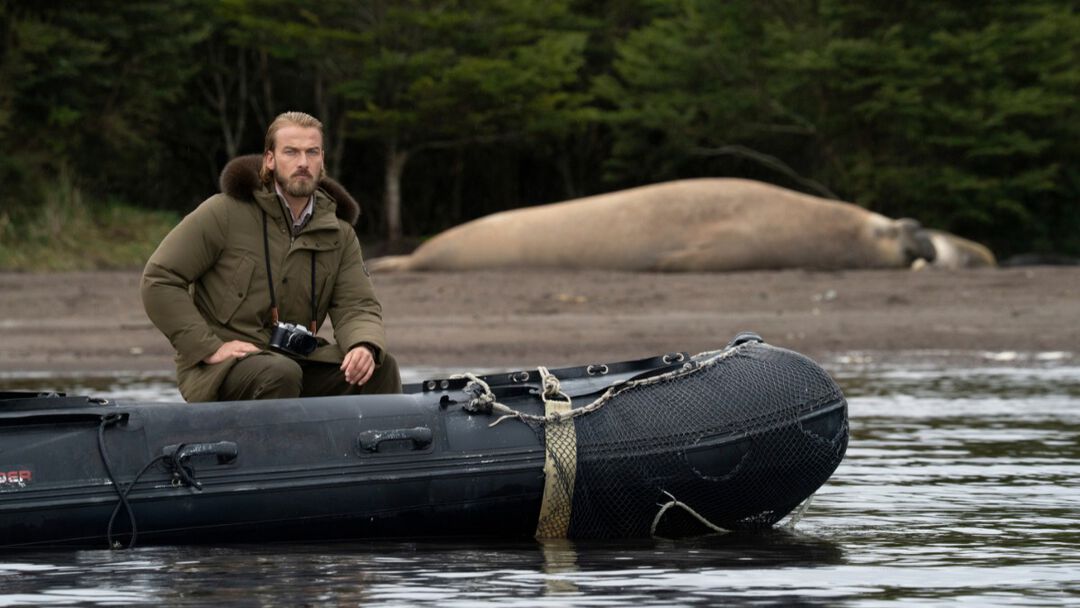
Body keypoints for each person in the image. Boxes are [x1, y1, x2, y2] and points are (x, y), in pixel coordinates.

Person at [141, 111, 401, 402]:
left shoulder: (339, 234)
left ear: (322, 160)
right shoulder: (223, 212)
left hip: (297, 359)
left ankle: (364, 447)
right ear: (270, 160)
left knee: (380, 367)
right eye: (291, 152)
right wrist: (208, 348)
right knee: (279, 372)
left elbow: (357, 305)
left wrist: (363, 345)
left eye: (311, 152)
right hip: (222, 367)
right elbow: (160, 278)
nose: (303, 163)